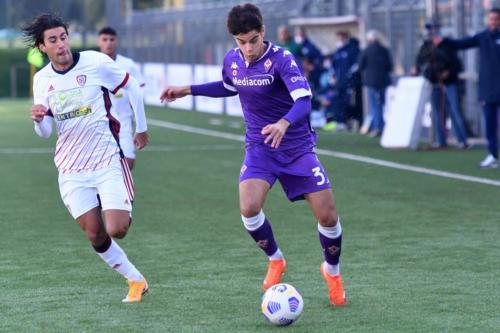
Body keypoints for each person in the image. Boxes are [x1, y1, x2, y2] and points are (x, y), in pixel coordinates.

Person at [160, 3, 346, 306]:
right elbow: (227, 86)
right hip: (260, 148)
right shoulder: (232, 60)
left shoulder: (283, 59)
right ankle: (276, 260)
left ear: (263, 32)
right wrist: (188, 90)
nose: (247, 48)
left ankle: (332, 272)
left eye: (252, 40)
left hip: (297, 148)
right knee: (248, 207)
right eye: (240, 42)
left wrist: (284, 123)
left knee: (328, 215)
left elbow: (304, 101)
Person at [23, 14, 150, 302]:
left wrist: (141, 129)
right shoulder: (42, 80)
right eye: (53, 40)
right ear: (43, 47)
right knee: (95, 234)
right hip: (70, 168)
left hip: (106, 159)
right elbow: (44, 132)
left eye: (63, 37)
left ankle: (115, 198)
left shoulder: (96, 62)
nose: (61, 45)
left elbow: (131, 88)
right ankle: (135, 280)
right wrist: (38, 119)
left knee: (117, 229)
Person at [435, 8, 500, 166]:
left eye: (496, 19)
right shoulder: (483, 37)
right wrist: (443, 41)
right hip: (487, 89)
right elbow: (461, 44)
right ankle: (493, 156)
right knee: (490, 125)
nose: (493, 22)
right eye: (491, 19)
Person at [98, 26, 146, 170]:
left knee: (128, 162)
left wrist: (135, 100)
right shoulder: (92, 64)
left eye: (112, 39)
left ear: (117, 41)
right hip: (100, 122)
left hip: (124, 121)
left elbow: (140, 87)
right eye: (104, 39)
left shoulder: (128, 64)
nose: (108, 43)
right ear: (98, 41)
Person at [414, 22, 468, 149]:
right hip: (434, 83)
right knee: (438, 113)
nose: (430, 33)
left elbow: (457, 65)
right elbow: (420, 61)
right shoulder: (426, 47)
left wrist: (447, 72)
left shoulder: (447, 46)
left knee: (455, 111)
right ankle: (441, 140)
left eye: (432, 30)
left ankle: (462, 140)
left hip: (449, 83)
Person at [358, 30, 393, 137]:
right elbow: (389, 66)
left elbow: (360, 65)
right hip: (383, 81)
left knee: (374, 105)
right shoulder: (384, 50)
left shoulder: (366, 50)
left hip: (371, 81)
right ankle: (381, 126)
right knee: (381, 104)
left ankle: (377, 127)